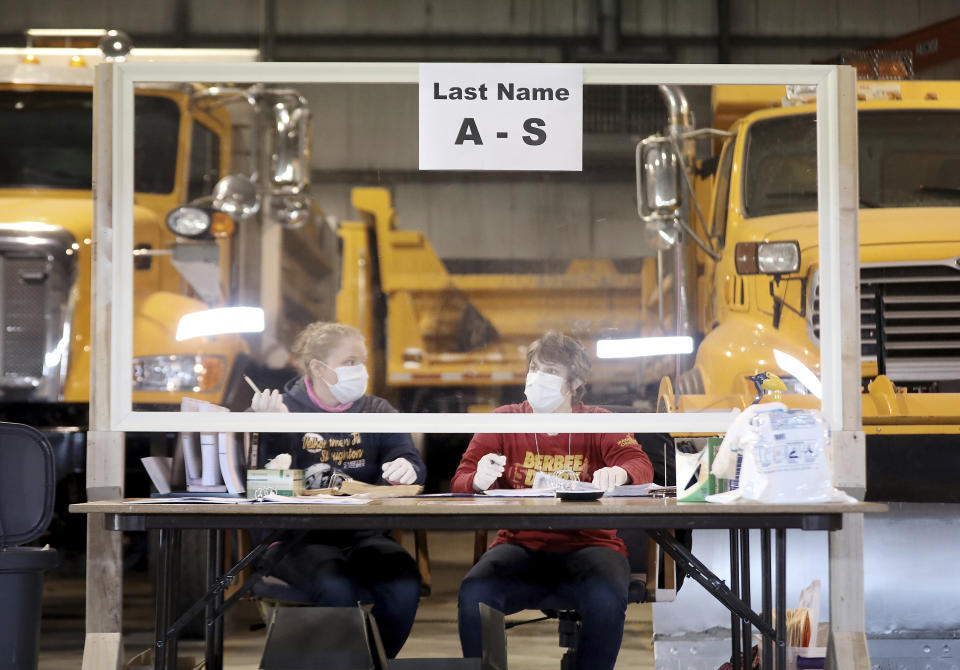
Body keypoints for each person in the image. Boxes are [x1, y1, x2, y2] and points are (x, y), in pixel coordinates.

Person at [452, 331, 654, 670]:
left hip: (591, 546)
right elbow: (460, 481)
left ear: (574, 382)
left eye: (550, 372)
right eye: (533, 368)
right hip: (519, 545)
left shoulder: (598, 420)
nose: (536, 378)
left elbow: (640, 464)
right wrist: (477, 478)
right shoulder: (504, 419)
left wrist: (619, 473)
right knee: (474, 591)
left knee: (605, 596)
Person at [250, 321, 425, 658]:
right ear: (318, 367)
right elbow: (262, 489)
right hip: (295, 539)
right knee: (336, 586)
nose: (359, 370)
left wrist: (408, 466)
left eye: (361, 361)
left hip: (363, 535)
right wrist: (269, 430)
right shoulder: (283, 409)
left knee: (403, 583)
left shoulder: (376, 410)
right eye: (349, 362)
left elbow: (409, 459)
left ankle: (373, 664)